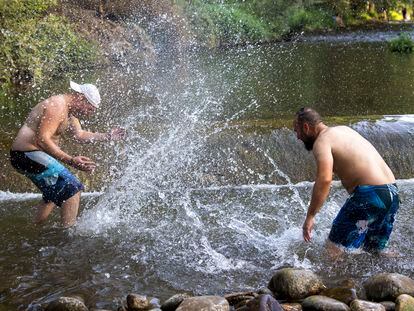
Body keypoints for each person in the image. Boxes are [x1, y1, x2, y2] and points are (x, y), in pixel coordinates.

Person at [10, 81, 125, 227]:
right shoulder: (57, 105)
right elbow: (42, 140)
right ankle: (68, 238)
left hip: (29, 155)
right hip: (25, 154)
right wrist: (71, 160)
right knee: (72, 188)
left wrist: (107, 136)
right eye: (89, 109)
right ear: (81, 98)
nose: (89, 114)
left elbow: (79, 134)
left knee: (52, 195)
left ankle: (34, 230)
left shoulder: (69, 112)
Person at [293, 107, 399, 257]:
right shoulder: (344, 130)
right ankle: (395, 278)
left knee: (334, 247)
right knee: (375, 250)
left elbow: (324, 179)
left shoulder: (322, 142)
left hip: (369, 196)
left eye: (296, 130)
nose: (297, 136)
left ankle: (340, 281)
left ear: (306, 127)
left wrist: (310, 216)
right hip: (391, 193)